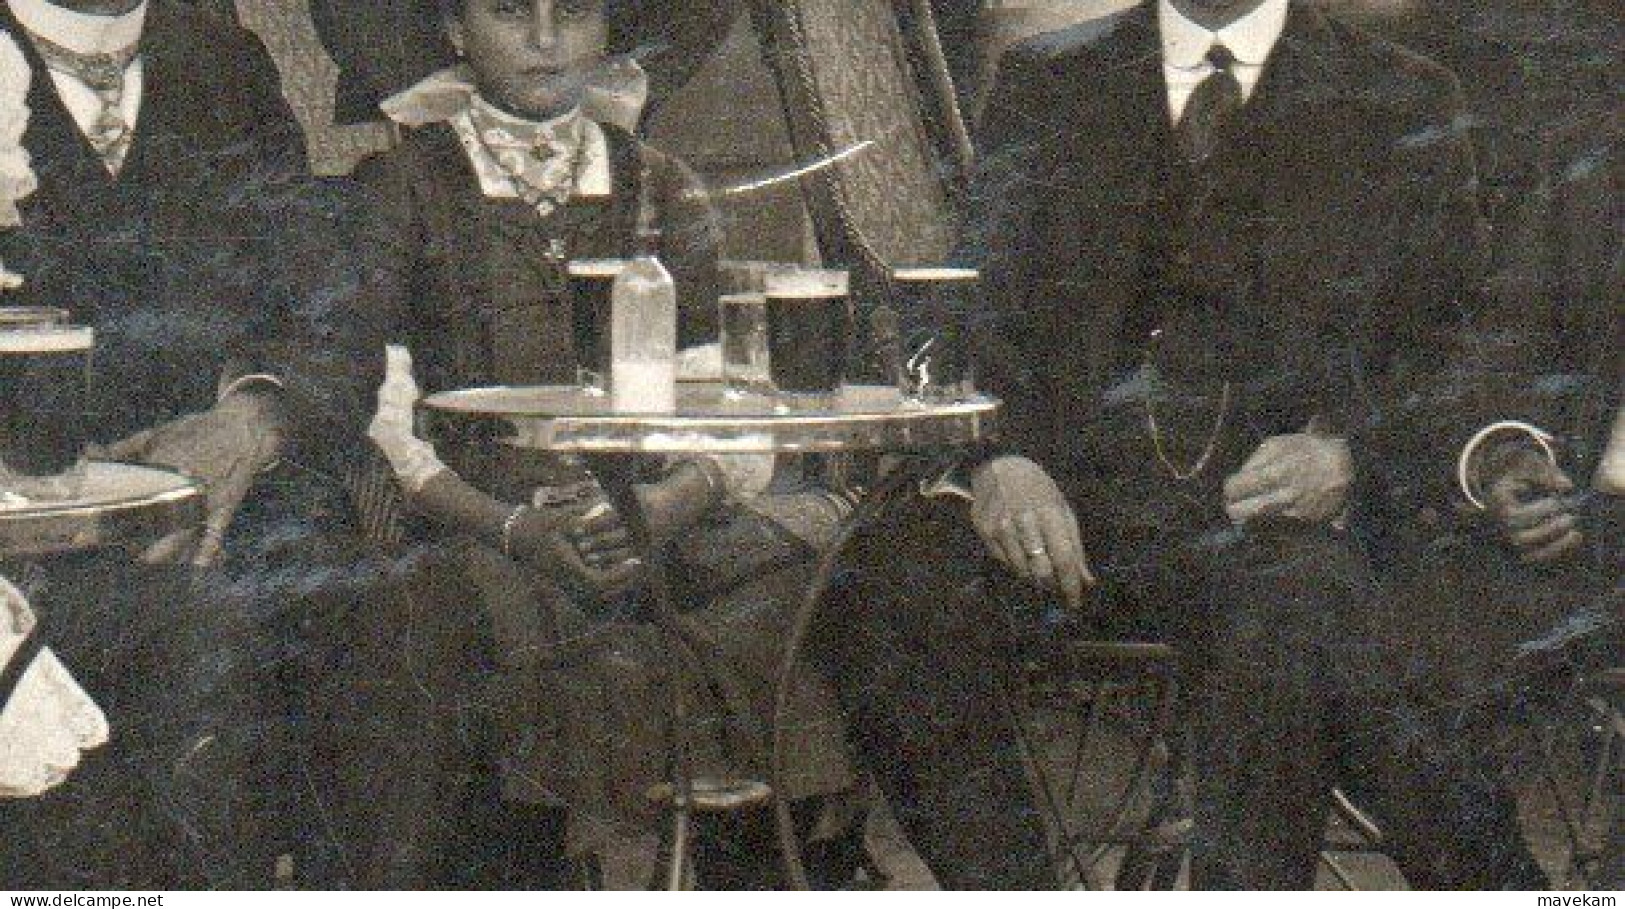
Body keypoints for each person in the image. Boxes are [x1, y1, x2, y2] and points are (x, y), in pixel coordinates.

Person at [822, 0, 1564, 888]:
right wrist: (999, 456)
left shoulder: (1399, 93)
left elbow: (1456, 343)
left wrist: (1350, 454)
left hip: (1275, 528)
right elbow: (974, 308)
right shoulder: (1049, 79)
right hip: (1069, 516)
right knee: (885, 577)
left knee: (1292, 613)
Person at [322, 0, 865, 888]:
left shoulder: (657, 182)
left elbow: (725, 396)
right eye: (510, 13)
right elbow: (382, 413)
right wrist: (508, 526)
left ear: (606, 29)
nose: (544, 39)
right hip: (483, 523)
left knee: (792, 598)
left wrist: (677, 495)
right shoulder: (402, 185)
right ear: (455, 32)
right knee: (449, 622)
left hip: (655, 522)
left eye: (570, 13)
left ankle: (757, 868)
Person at [0, 0, 364, 888]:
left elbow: (336, 315)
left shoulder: (220, 60)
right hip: (27, 538)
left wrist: (251, 422)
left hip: (234, 503)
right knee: (189, 641)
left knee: (400, 612)